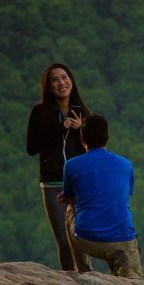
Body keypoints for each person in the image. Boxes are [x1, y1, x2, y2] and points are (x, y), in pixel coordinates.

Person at [59, 113, 142, 277]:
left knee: (70, 209)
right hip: (122, 241)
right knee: (134, 281)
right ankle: (122, 267)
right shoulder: (126, 164)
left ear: (82, 138)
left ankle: (83, 270)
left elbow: (71, 199)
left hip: (86, 240)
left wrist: (68, 197)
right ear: (108, 137)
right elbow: (121, 196)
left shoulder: (71, 165)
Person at [26, 62, 91, 271]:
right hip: (53, 182)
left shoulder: (81, 112)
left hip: (79, 182)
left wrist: (81, 130)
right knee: (64, 240)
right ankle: (71, 281)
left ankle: (88, 279)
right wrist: (59, 128)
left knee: (82, 236)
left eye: (64, 77)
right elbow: (32, 147)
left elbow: (93, 150)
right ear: (48, 86)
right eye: (55, 80)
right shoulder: (40, 112)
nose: (61, 83)